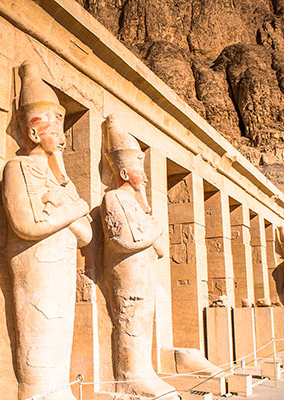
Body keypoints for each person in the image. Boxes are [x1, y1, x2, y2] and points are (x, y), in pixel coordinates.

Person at [2, 61, 92, 400]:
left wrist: (64, 206)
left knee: (60, 329)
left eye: (62, 127)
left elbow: (86, 235)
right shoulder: (18, 168)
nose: (62, 136)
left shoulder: (63, 183)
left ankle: (57, 390)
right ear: (33, 133)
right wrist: (76, 208)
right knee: (38, 331)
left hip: (62, 265)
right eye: (54, 126)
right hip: (34, 266)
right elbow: (28, 225)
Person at [100, 114, 178, 399]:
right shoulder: (113, 199)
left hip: (144, 271)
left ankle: (144, 372)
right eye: (138, 170)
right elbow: (123, 240)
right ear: (123, 173)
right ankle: (129, 377)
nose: (144, 177)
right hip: (126, 272)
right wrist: (153, 228)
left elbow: (160, 249)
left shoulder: (136, 204)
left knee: (144, 322)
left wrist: (148, 222)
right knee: (129, 321)